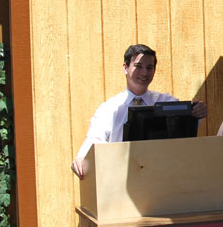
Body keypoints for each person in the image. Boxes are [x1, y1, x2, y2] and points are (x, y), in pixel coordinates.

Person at [71, 44, 207, 177]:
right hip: (120, 178)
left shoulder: (166, 101)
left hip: (161, 177)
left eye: (149, 67)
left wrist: (197, 113)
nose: (144, 72)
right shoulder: (109, 109)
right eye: (138, 66)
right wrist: (82, 158)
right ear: (125, 67)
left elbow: (185, 126)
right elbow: (94, 139)